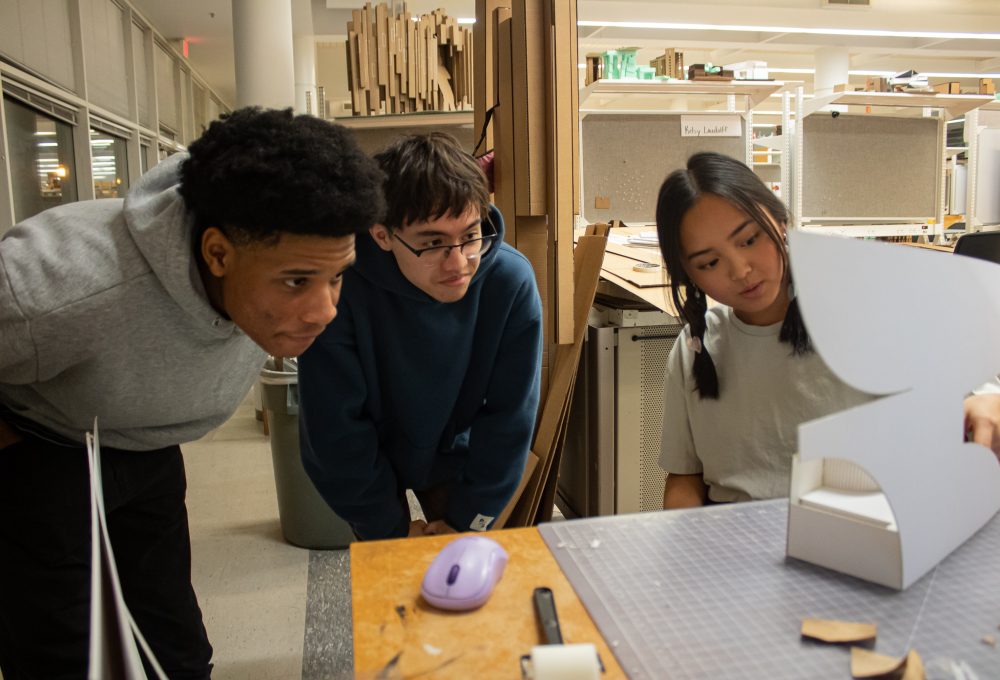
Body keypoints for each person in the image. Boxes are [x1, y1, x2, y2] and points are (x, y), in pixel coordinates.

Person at [0, 107, 385, 679]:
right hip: (42, 449)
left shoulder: (288, 251)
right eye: (297, 281)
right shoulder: (60, 286)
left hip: (149, 445)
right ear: (218, 254)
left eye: (336, 277)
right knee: (67, 654)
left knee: (173, 642)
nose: (324, 309)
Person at [298, 132, 543, 540]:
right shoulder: (340, 288)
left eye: (469, 235)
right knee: (390, 574)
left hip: (455, 454)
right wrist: (386, 526)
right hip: (370, 450)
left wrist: (470, 518)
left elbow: (508, 419)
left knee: (465, 575)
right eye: (433, 243)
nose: (458, 262)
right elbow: (333, 428)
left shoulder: (509, 282)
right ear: (382, 234)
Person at [655, 152, 873, 509]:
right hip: (734, 540)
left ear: (780, 221)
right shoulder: (697, 347)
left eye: (749, 240)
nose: (740, 270)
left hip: (848, 533)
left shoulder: (862, 317)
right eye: (710, 263)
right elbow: (685, 478)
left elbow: (968, 406)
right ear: (688, 275)